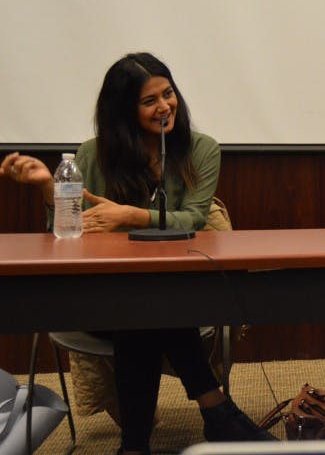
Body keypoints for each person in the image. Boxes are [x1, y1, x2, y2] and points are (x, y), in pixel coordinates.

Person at [0, 52, 274, 455]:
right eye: (150, 101)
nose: (165, 106)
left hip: (179, 296)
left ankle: (133, 448)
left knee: (146, 311)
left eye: (169, 93)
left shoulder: (200, 149)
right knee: (142, 309)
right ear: (124, 112)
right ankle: (217, 411)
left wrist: (129, 215)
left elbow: (195, 218)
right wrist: (47, 189)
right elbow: (64, 235)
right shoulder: (93, 156)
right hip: (103, 299)